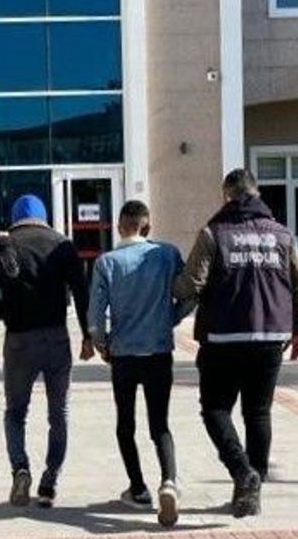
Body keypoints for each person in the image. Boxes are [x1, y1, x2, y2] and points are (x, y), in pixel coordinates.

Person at [174, 169, 298, 519]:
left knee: (215, 409)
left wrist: (170, 286)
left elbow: (191, 284)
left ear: (227, 196)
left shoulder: (213, 233)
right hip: (270, 336)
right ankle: (253, 487)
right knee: (258, 413)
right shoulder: (282, 234)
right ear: (257, 193)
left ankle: (242, 472)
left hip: (223, 336)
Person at [0, 194, 93, 509]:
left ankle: (20, 469)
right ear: (44, 217)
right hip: (56, 337)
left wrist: (4, 312)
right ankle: (50, 480)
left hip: (19, 339)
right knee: (59, 413)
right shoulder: (62, 244)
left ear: (15, 218)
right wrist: (88, 335)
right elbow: (81, 292)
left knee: (15, 412)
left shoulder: (5, 246)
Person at [88, 200, 189, 528]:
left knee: (125, 423)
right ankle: (169, 481)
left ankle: (138, 488)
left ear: (119, 227)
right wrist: (170, 318)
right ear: (148, 227)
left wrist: (101, 342)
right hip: (158, 351)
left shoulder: (107, 262)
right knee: (160, 424)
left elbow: (95, 314)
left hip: (124, 354)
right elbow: (191, 292)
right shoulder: (167, 254)